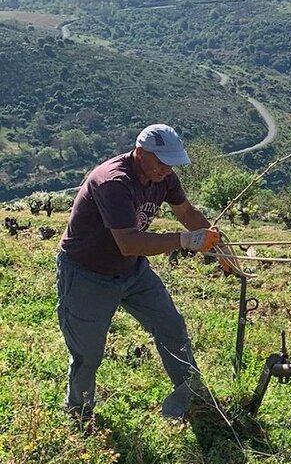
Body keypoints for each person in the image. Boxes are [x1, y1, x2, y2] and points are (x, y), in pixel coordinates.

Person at [57, 124, 220, 424]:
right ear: (140, 153)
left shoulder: (163, 176)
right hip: (87, 274)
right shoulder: (113, 182)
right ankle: (79, 416)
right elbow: (129, 243)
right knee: (88, 354)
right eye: (161, 162)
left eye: (171, 164)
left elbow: (187, 213)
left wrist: (213, 242)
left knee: (171, 325)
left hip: (131, 272)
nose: (166, 170)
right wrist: (184, 241)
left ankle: (191, 398)